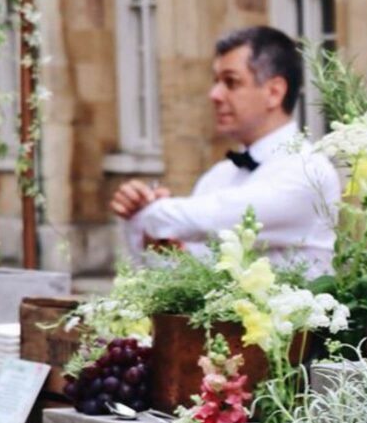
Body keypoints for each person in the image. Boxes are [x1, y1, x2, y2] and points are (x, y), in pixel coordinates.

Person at [111, 26, 339, 271]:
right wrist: (148, 232)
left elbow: (214, 217)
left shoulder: (308, 170)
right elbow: (176, 273)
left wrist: (150, 212)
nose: (214, 94)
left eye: (231, 82)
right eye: (216, 81)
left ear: (274, 92)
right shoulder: (217, 177)